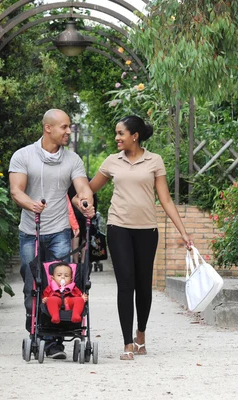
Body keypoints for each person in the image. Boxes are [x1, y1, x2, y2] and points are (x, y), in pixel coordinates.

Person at [76, 115, 193, 361]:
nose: (117, 138)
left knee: (143, 286)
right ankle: (127, 343)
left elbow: (166, 199)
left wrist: (183, 232)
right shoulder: (111, 161)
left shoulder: (155, 161)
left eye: (121, 133)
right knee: (125, 284)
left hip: (147, 230)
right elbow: (90, 188)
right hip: (118, 227)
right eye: (116, 133)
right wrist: (79, 200)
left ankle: (141, 333)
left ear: (135, 136)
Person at [9, 109, 94, 360]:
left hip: (59, 231)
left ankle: (55, 340)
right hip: (30, 230)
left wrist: (85, 203)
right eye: (64, 127)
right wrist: (31, 204)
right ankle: (36, 328)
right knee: (32, 281)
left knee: (61, 283)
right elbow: (17, 190)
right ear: (48, 128)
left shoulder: (72, 160)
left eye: (69, 127)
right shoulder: (23, 156)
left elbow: (82, 189)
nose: (69, 131)